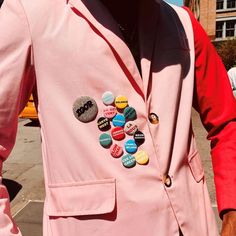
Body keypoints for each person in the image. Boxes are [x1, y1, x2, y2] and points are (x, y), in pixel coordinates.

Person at [0, 0, 236, 235]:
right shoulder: (30, 14)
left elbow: (227, 123)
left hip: (194, 223)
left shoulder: (182, 23)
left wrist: (233, 211)